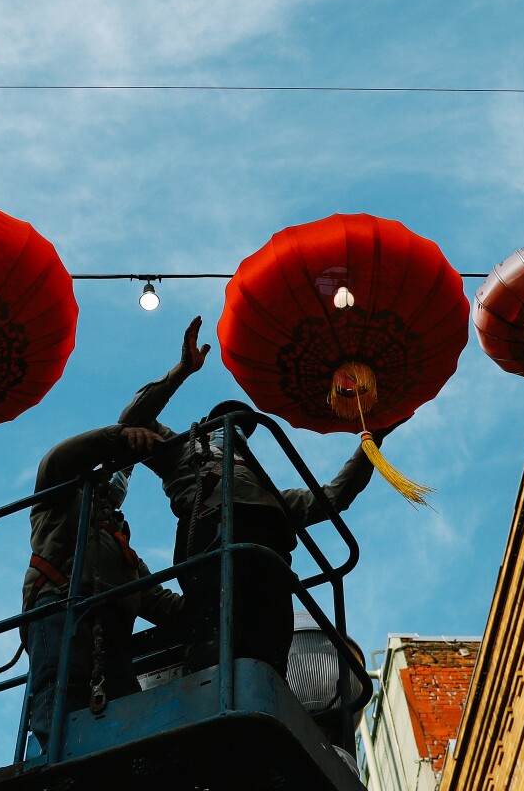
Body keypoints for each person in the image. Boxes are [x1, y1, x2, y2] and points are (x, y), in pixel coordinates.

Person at [119, 317, 384, 676]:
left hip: (271, 557)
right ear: (205, 424)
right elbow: (133, 418)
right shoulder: (183, 452)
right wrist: (183, 370)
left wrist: (372, 442)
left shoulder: (272, 494)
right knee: (214, 628)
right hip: (209, 539)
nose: (234, 430)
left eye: (243, 426)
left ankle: (264, 691)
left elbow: (334, 497)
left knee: (269, 644)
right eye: (225, 421)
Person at [21, 422, 184, 748]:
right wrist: (116, 438)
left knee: (129, 713)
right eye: (118, 470)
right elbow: (57, 460)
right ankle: (58, 770)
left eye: (127, 475)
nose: (122, 478)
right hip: (62, 611)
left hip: (113, 638)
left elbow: (162, 603)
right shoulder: (58, 503)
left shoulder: (125, 554)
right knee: (61, 693)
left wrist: (224, 595)